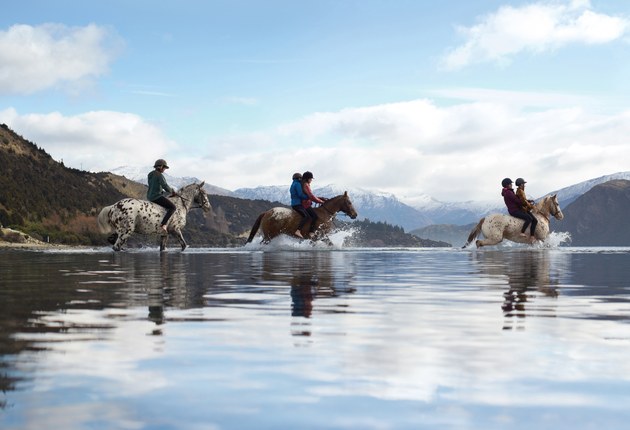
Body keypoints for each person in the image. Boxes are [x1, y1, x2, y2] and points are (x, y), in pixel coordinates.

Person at [501, 178, 536, 244]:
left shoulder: (509, 192)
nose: (511, 185)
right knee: (528, 218)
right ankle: (522, 232)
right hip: (514, 210)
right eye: (510, 184)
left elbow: (519, 199)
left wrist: (528, 201)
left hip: (515, 209)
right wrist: (528, 205)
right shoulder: (509, 192)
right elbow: (516, 200)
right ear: (507, 185)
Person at [147, 159, 177, 234]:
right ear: (161, 167)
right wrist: (172, 191)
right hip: (156, 197)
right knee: (173, 207)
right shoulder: (159, 175)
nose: (164, 169)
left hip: (149, 196)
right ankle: (163, 224)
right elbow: (165, 186)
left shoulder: (150, 174)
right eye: (164, 168)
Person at [300, 171, 327, 238]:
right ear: (307, 178)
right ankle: (311, 232)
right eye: (311, 178)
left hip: (306, 203)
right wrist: (321, 202)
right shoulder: (306, 185)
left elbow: (310, 197)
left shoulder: (305, 184)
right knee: (315, 216)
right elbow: (311, 197)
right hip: (306, 205)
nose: (311, 180)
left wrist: (319, 198)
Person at [290, 172, 310, 238]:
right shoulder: (298, 184)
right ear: (299, 178)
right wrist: (309, 197)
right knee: (307, 216)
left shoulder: (292, 184)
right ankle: (298, 230)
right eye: (301, 178)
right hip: (297, 204)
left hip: (294, 204)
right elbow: (300, 195)